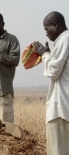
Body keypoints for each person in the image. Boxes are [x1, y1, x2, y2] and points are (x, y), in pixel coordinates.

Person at [32, 11, 69, 155]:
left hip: (61, 106)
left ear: (55, 25)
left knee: (58, 150)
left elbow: (53, 71)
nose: (46, 33)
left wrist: (45, 54)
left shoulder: (65, 39)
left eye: (46, 29)